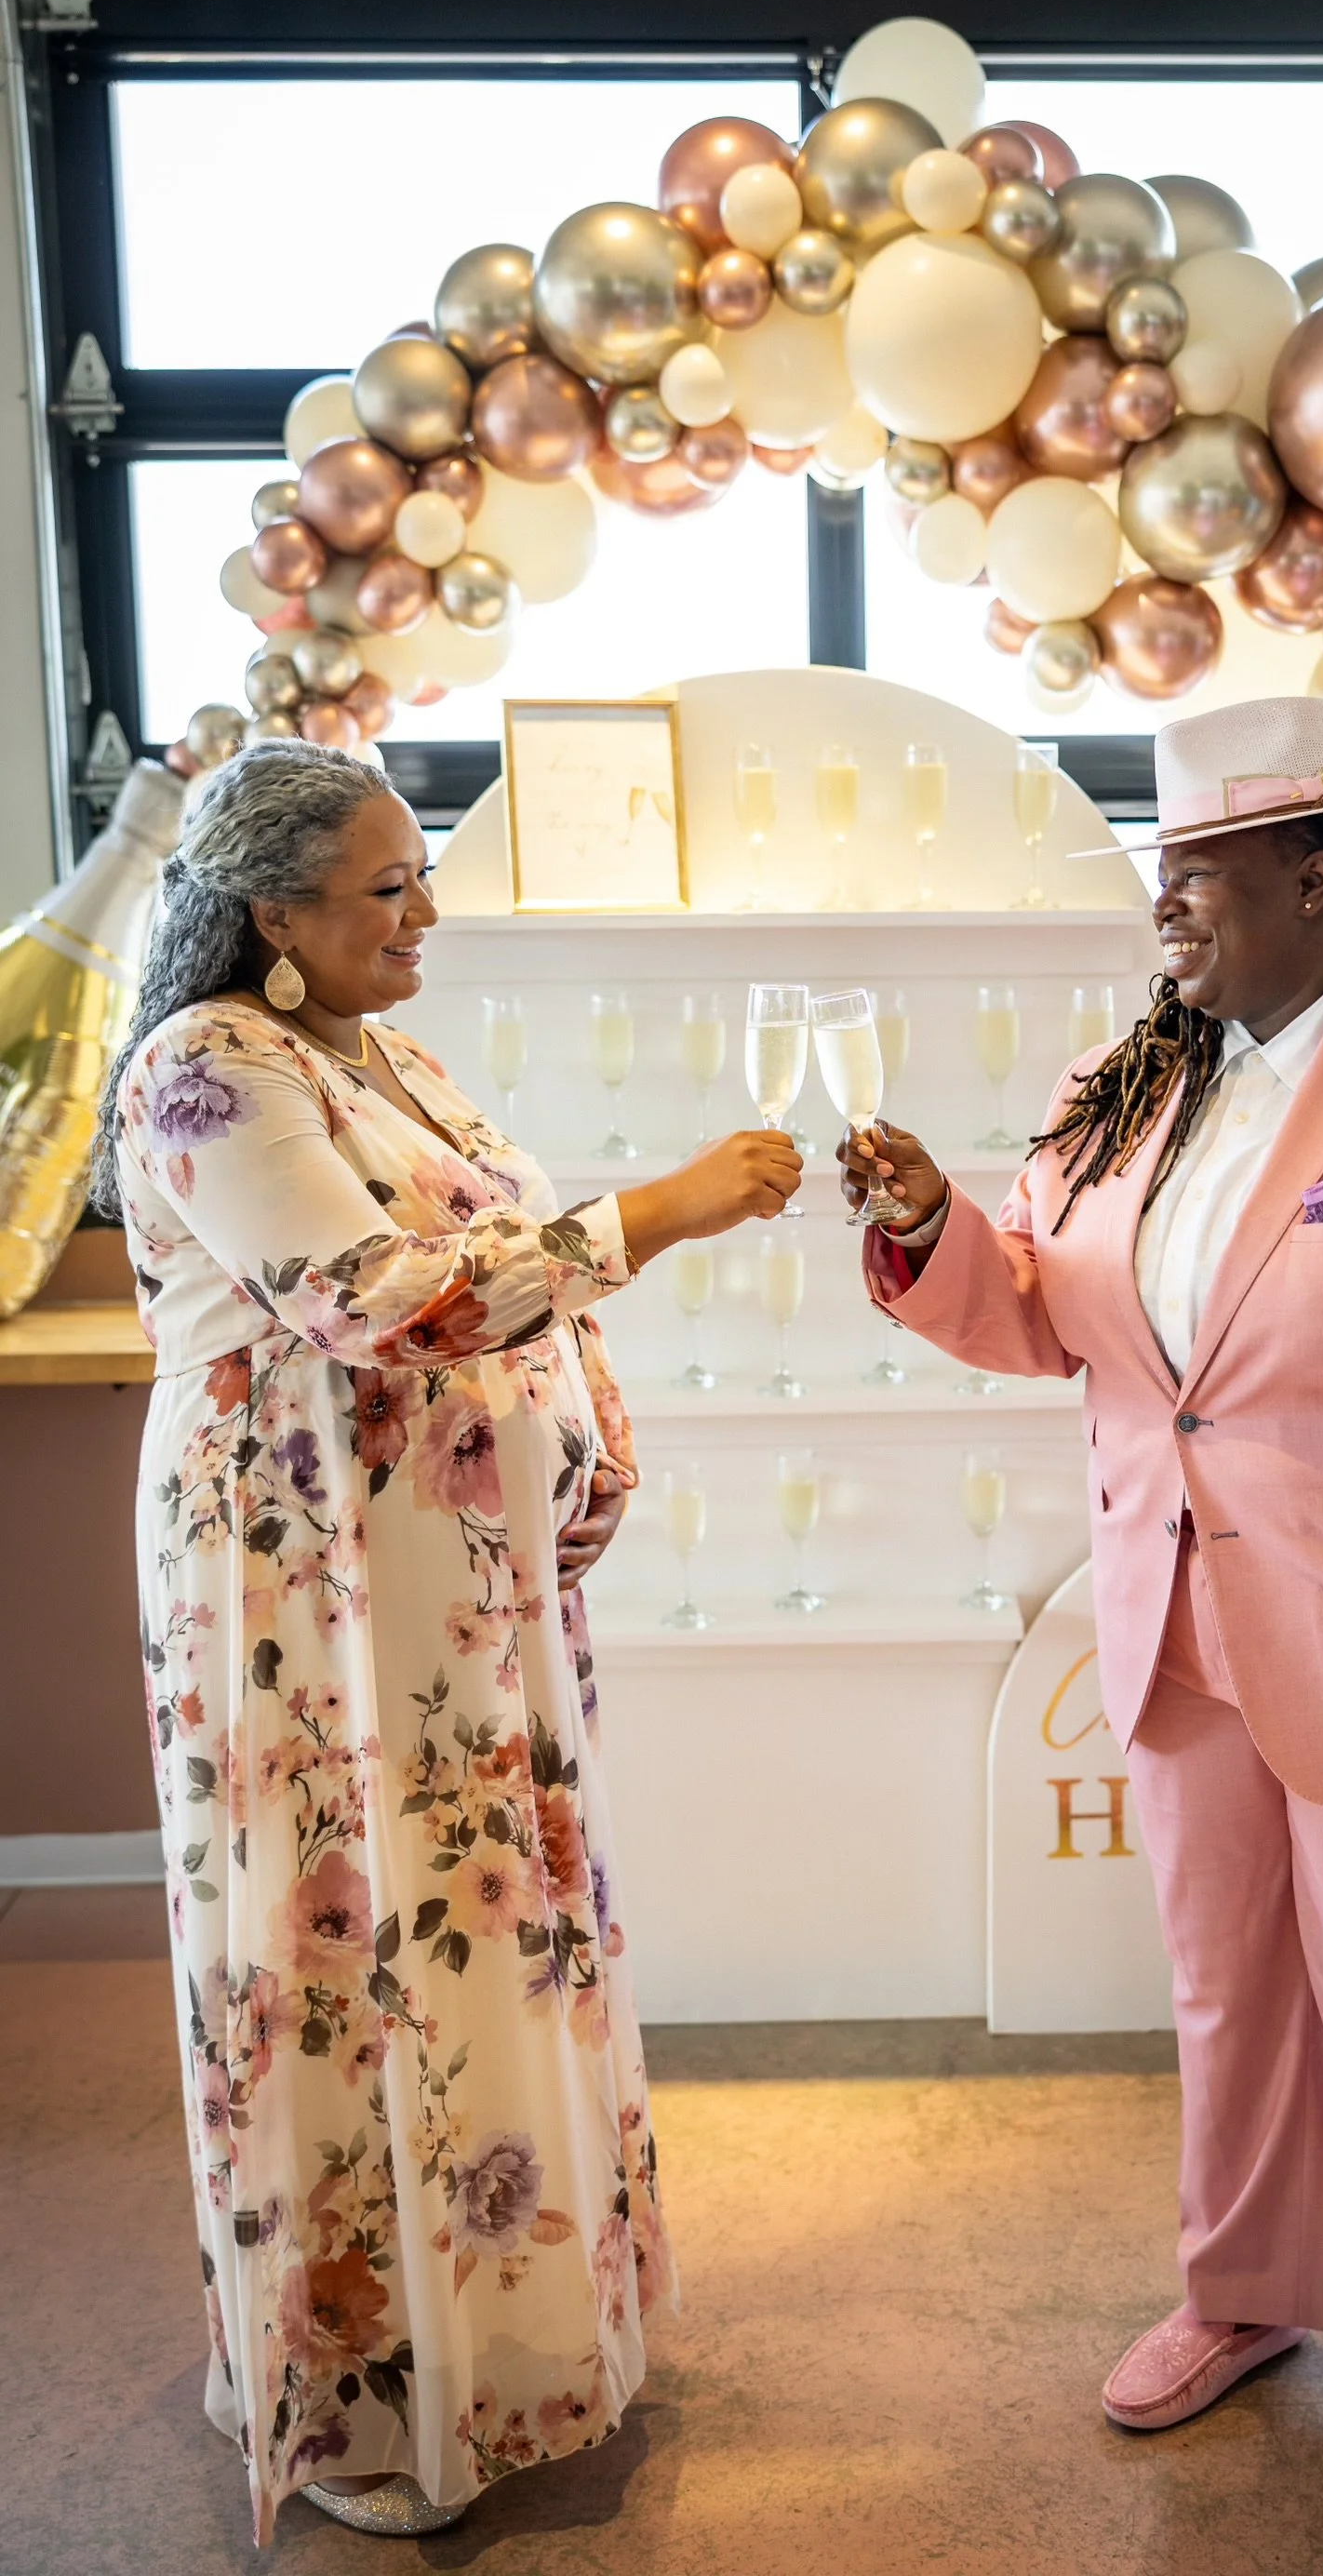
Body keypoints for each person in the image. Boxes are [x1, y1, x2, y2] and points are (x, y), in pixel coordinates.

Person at [841, 697, 1323, 2538]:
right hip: (1176, 1624)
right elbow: (1041, 1316)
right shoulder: (1120, 1091)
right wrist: (928, 1231)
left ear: (1311, 874)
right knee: (1224, 1990)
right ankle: (1246, 2289)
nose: (1164, 914)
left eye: (1191, 877)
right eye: (1156, 879)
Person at [91, 740, 801, 2544]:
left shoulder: (379, 1050)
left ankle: (518, 2350)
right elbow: (366, 1295)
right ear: (272, 910)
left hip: (448, 1582)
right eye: (385, 885)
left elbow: (493, 1249)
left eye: (420, 875)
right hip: (303, 1583)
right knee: (349, 1945)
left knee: (480, 1934)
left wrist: (590, 1439)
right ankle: (369, 2402)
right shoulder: (202, 1070)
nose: (425, 912)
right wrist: (662, 1209)